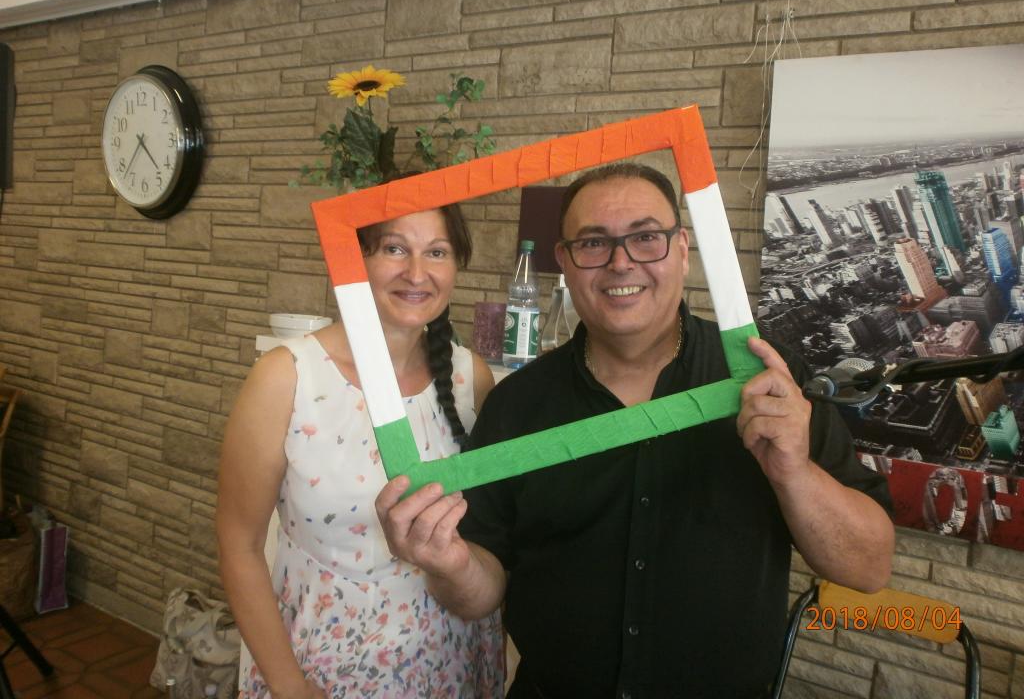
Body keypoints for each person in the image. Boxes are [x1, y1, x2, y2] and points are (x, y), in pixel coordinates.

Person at [375, 163, 895, 698]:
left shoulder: (769, 380)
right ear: (564, 262)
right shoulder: (516, 403)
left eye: (646, 237)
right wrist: (449, 566)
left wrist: (794, 473)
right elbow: (480, 591)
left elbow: (868, 568)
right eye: (593, 243)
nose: (621, 261)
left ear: (682, 250)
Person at [217, 204, 505, 699]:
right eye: (394, 248)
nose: (416, 272)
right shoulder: (288, 377)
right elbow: (238, 545)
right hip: (324, 665)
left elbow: (489, 532)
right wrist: (290, 687)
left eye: (437, 252)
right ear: (354, 259)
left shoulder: (468, 377)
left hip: (449, 662)